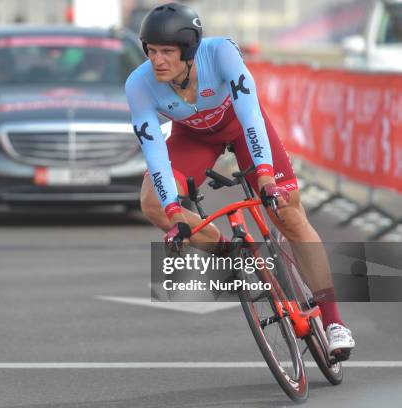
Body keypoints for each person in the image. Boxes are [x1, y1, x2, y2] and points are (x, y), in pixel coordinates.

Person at [125, 2, 355, 358]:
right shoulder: (139, 84)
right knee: (152, 203)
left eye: (167, 52)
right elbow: (153, 151)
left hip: (243, 128)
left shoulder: (220, 53)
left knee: (288, 215)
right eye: (151, 51)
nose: (158, 61)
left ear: (188, 50)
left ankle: (334, 320)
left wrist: (265, 177)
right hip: (194, 138)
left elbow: (250, 114)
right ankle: (231, 252)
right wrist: (174, 213)